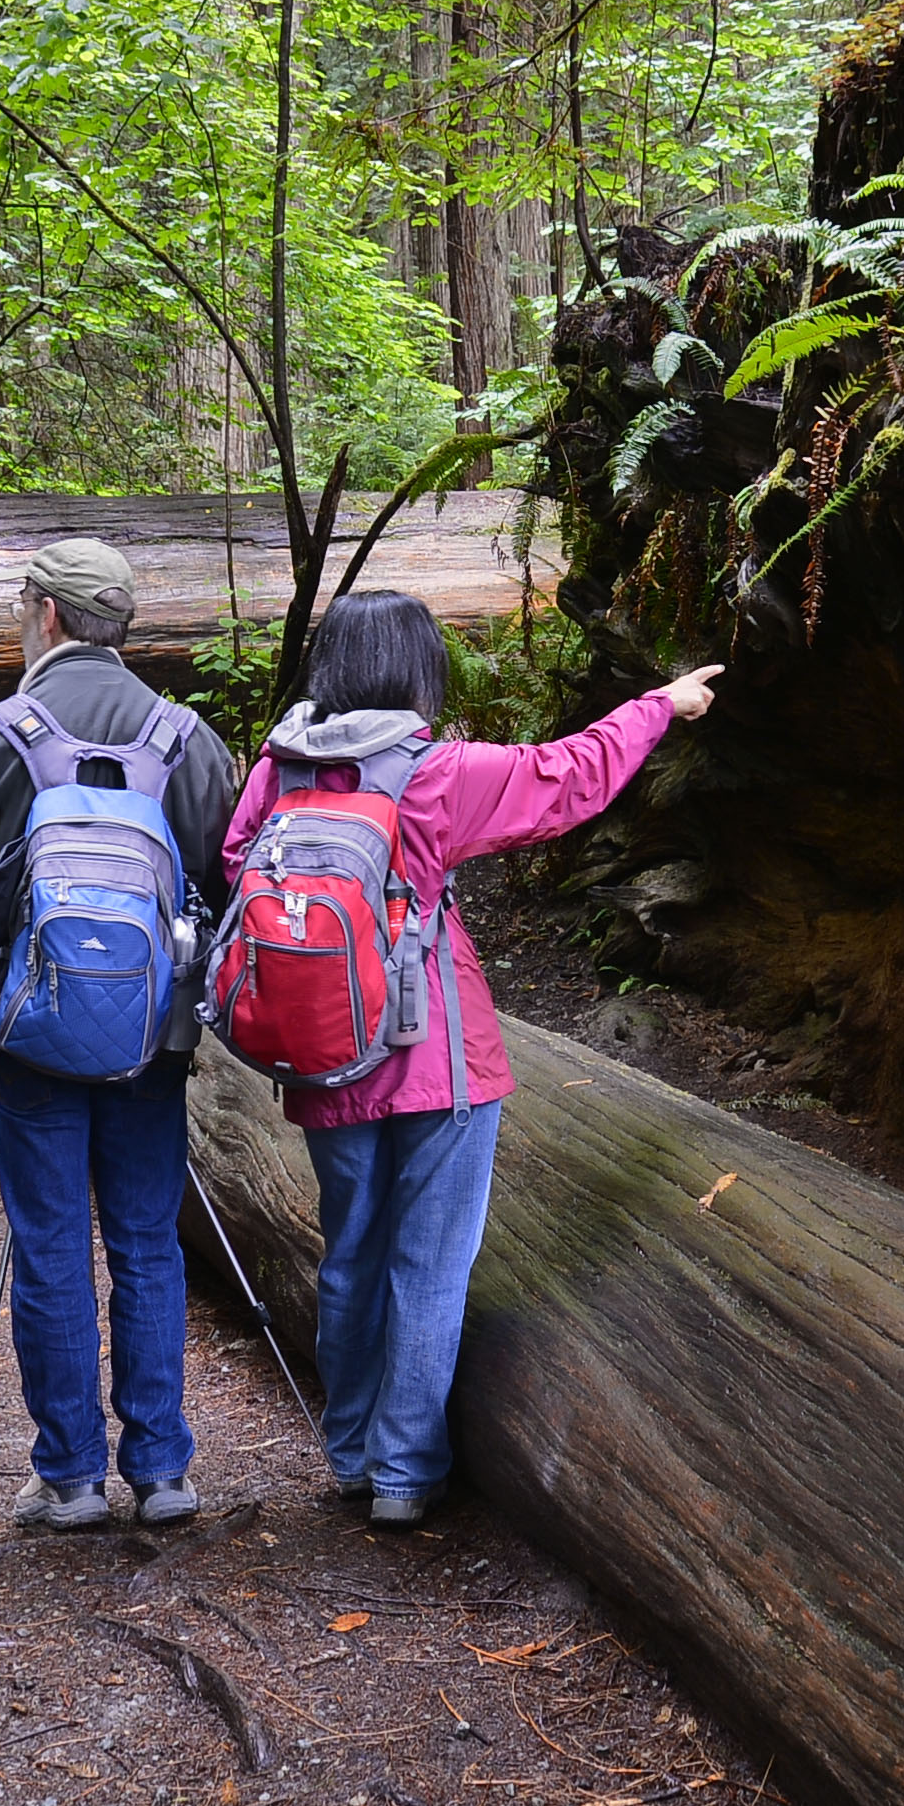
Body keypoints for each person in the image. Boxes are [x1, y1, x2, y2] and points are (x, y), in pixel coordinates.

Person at [223, 591, 718, 1527]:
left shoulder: (279, 768)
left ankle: (349, 1455)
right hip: (438, 1057)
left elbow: (238, 865)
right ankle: (406, 1476)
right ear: (416, 670)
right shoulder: (433, 771)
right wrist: (660, 704)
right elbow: (565, 776)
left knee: (352, 1256)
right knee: (429, 1265)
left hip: (327, 1056)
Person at [0, 537, 238, 1532]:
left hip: (29, 1039)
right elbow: (224, 886)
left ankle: (68, 1477)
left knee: (52, 1241)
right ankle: (161, 1471)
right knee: (146, 1238)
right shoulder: (187, 740)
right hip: (152, 1041)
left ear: (46, 616)